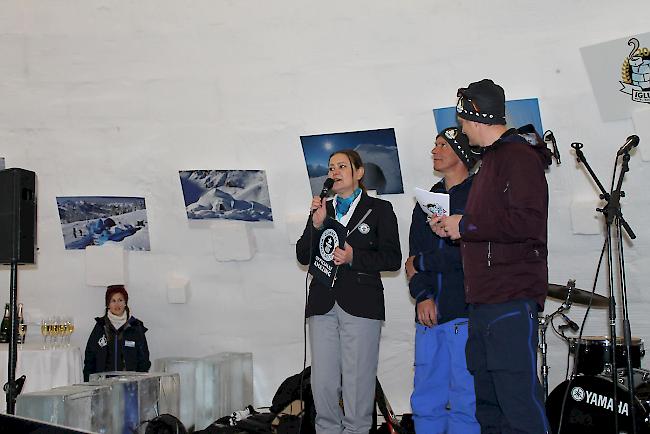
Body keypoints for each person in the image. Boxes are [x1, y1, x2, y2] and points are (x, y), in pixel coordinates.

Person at [433, 79, 551, 434]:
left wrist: (465, 225)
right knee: (489, 405)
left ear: (476, 115)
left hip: (509, 299)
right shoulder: (491, 161)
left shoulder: (517, 157)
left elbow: (527, 221)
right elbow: (491, 226)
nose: (461, 128)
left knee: (518, 403)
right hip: (485, 301)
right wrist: (457, 228)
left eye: (463, 119)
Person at [296, 149, 401, 434]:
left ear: (359, 172)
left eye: (342, 166)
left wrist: (355, 257)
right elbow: (303, 255)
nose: (335, 172)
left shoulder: (379, 210)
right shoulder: (322, 209)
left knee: (358, 380)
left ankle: (357, 430)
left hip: (361, 302)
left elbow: (392, 258)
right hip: (322, 303)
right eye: (331, 167)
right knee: (324, 381)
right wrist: (316, 226)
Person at [406, 127, 480, 434]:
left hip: (464, 311)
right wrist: (422, 295)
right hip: (429, 315)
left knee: (467, 396)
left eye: (442, 145)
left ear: (461, 153)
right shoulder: (426, 200)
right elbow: (411, 257)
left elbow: (465, 254)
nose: (434, 151)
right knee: (425, 397)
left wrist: (421, 263)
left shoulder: (479, 195)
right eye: (434, 144)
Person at [83, 284, 151, 381]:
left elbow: (144, 361)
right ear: (108, 304)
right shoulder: (100, 327)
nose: (117, 304)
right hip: (104, 387)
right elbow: (90, 359)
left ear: (125, 303)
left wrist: (138, 382)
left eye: (120, 300)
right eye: (113, 301)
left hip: (129, 387)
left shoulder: (135, 327)